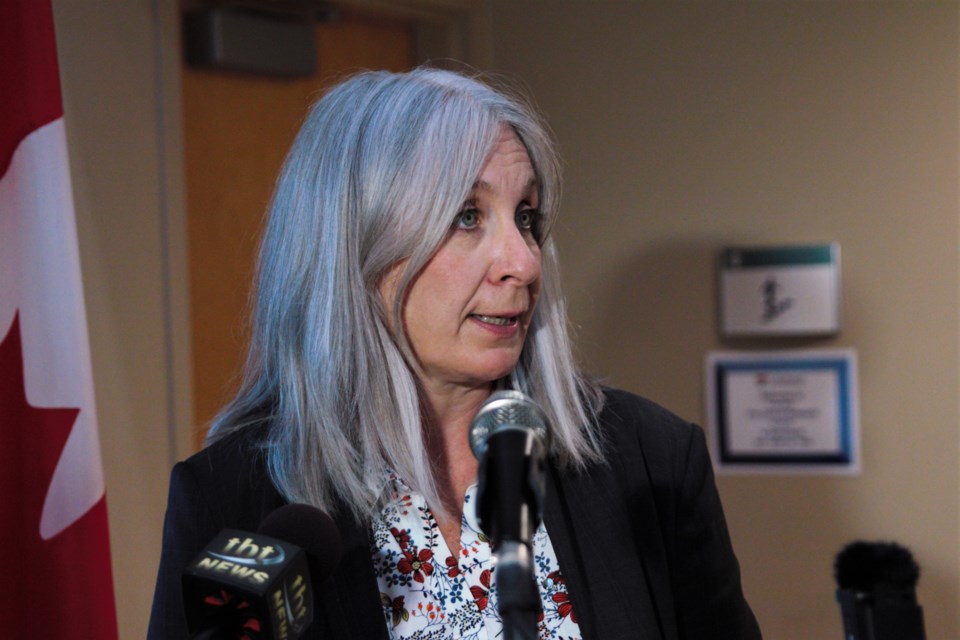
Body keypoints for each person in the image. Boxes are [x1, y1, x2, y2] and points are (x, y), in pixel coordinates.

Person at [149, 67, 762, 639]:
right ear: (353, 247)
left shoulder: (649, 460)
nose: (524, 262)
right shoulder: (232, 500)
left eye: (526, 217)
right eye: (467, 216)